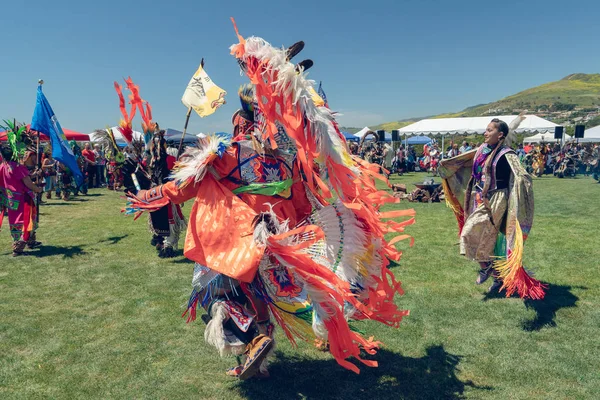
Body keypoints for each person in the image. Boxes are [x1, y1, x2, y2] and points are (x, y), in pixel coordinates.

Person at [125, 34, 415, 380]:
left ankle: (252, 343)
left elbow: (186, 185)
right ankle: (257, 361)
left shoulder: (226, 153)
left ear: (243, 119)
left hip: (236, 240)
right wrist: (312, 235)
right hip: (277, 242)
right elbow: (301, 202)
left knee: (217, 292)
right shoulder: (289, 161)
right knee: (263, 296)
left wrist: (150, 195)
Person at [439, 117, 545, 299]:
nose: (485, 133)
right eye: (485, 130)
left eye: (489, 130)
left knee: (481, 236)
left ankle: (491, 273)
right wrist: (447, 165)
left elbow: (521, 175)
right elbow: (465, 162)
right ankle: (492, 273)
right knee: (478, 236)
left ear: (500, 134)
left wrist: (521, 183)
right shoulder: (482, 150)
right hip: (480, 199)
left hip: (498, 200)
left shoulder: (507, 154)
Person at [0, 141, 43, 256]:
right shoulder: (18, 167)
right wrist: (37, 189)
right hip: (22, 199)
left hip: (10, 199)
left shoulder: (3, 166)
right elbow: (27, 182)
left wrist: (34, 175)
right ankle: (18, 247)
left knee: (17, 220)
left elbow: (18, 178)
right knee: (23, 221)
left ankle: (30, 241)